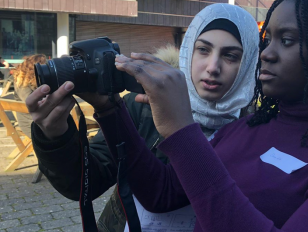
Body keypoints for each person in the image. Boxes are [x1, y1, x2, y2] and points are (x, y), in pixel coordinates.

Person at [30, 0, 308, 231]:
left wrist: (181, 130)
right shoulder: (250, 127)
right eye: (268, 40)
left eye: (287, 40)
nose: (266, 54)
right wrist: (109, 109)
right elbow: (163, 193)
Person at [27, 3, 259, 232]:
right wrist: (55, 136)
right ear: (189, 49)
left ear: (249, 63)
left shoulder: (256, 129)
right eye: (204, 50)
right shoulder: (143, 106)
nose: (212, 67)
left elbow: (163, 194)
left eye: (230, 56)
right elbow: (86, 181)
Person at [12, 54, 47, 138]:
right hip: (32, 124)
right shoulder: (22, 84)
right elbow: (32, 102)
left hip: (40, 120)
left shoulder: (33, 82)